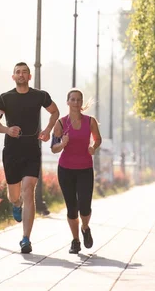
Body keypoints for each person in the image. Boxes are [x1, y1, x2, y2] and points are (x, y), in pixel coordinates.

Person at [0, 62, 59, 254]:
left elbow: (55, 111)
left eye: (24, 72)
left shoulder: (40, 96)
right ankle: (16, 204)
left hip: (31, 150)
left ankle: (26, 239)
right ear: (13, 77)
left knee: (29, 190)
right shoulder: (4, 98)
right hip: (11, 150)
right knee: (14, 195)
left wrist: (47, 130)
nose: (21, 75)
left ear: (29, 77)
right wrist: (7, 130)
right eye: (17, 72)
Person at [51, 88, 102, 254]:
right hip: (66, 169)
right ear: (67, 102)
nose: (75, 102)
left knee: (85, 207)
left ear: (82, 103)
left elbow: (98, 139)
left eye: (78, 100)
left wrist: (93, 147)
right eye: (72, 99)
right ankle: (75, 240)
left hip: (85, 169)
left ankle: (85, 228)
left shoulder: (90, 121)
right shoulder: (60, 123)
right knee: (72, 208)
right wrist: (62, 144)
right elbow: (54, 148)